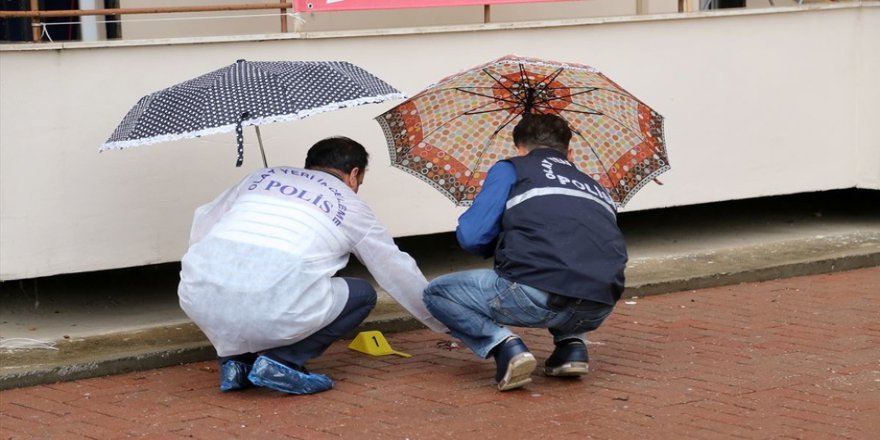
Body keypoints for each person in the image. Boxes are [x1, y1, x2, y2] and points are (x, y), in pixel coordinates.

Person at [178, 136, 445, 395]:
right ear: (353, 174)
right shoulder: (350, 204)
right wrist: (445, 319)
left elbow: (205, 223)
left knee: (241, 284)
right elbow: (395, 270)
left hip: (199, 293)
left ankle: (234, 363)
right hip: (273, 304)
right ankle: (282, 362)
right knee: (362, 295)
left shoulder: (260, 177)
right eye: (359, 181)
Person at [423, 113, 627, 391]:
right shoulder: (594, 185)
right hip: (599, 305)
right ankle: (571, 347)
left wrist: (502, 241)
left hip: (537, 297)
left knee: (437, 293)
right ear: (570, 152)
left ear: (519, 148)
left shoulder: (511, 169)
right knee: (570, 264)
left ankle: (505, 347)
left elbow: (472, 236)